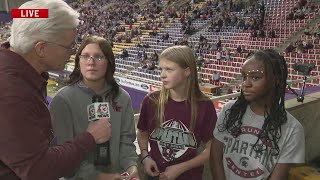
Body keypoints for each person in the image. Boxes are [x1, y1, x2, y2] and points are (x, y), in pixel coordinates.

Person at [0, 0, 111, 179]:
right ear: (41, 48)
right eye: (69, 46)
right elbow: (38, 170)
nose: (72, 52)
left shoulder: (20, 72)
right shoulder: (10, 92)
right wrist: (90, 137)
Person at [49, 36, 140, 180]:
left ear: (108, 62)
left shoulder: (122, 98)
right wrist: (98, 176)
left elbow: (126, 141)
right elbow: (61, 153)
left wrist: (131, 166)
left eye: (98, 57)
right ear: (78, 62)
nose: (91, 62)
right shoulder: (62, 100)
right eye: (85, 56)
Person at [210, 49, 305, 180]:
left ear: (276, 80)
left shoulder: (292, 129)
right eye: (244, 77)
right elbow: (215, 156)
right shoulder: (229, 110)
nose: (246, 84)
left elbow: (278, 176)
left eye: (255, 77)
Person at [137, 45, 217, 180]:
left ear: (187, 71)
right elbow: (142, 132)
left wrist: (180, 168)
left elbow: (211, 149)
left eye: (169, 69)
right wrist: (145, 157)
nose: (162, 75)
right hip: (155, 175)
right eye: (161, 69)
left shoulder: (204, 106)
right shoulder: (151, 101)